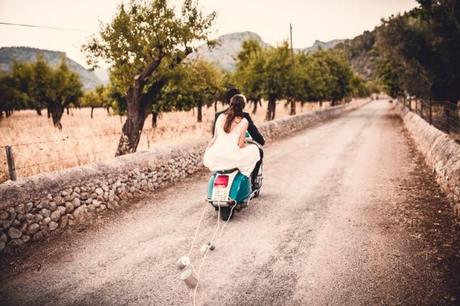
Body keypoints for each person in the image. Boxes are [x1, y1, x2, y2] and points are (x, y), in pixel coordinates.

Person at [212, 88, 265, 185]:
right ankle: (252, 182)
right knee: (258, 152)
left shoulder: (219, 115)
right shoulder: (244, 117)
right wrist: (261, 141)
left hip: (219, 150)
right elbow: (254, 134)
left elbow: (215, 135)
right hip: (235, 149)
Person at [203, 94, 260, 178]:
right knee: (255, 149)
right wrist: (246, 144)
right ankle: (251, 181)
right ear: (242, 106)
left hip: (215, 155)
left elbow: (214, 138)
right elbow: (240, 144)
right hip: (231, 156)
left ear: (230, 104)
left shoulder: (220, 117)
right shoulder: (244, 121)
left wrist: (207, 150)